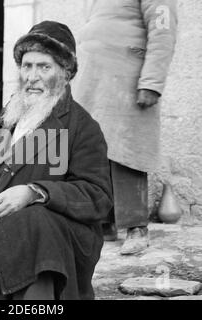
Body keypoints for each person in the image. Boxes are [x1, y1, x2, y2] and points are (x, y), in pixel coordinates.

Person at [0, 21, 113, 300]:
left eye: (44, 67)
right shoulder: (8, 116)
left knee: (34, 222)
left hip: (56, 239)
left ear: (65, 72)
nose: (32, 76)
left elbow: (98, 197)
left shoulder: (82, 126)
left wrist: (34, 193)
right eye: (27, 66)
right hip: (1, 228)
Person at [73, 0, 178, 255]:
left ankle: (136, 228)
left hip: (127, 79)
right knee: (97, 151)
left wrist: (151, 82)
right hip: (96, 81)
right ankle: (105, 222)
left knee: (128, 152)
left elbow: (163, 30)